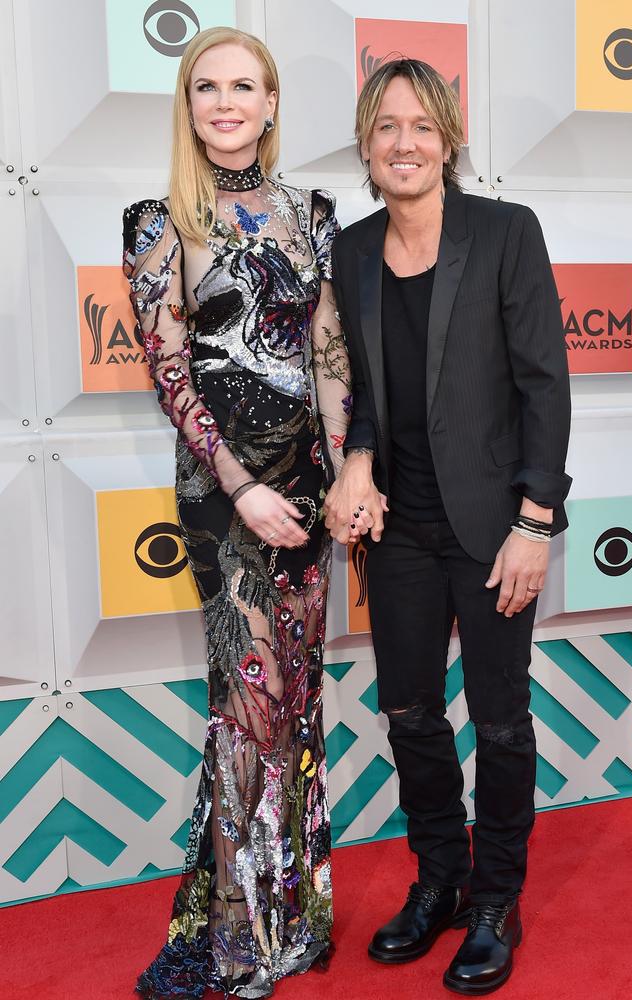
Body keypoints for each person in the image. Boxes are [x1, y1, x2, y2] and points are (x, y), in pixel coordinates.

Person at [325, 59, 571, 995]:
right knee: (411, 714)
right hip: (399, 533)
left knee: (501, 724)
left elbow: (545, 386)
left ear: (449, 139)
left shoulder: (506, 233)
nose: (404, 143)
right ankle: (442, 882)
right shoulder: (351, 252)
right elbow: (374, 400)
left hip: (495, 527)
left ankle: (498, 901)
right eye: (386, 127)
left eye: (422, 126)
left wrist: (535, 523)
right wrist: (357, 463)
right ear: (365, 142)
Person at [122, 27, 350, 999]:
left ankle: (295, 915)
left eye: (242, 85)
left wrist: (341, 474)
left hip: (304, 487)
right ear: (188, 104)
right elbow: (169, 372)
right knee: (247, 711)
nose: (225, 102)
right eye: (206, 86)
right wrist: (240, 488)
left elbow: (329, 357)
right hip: (224, 497)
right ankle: (242, 938)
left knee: (296, 704)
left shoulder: (314, 214)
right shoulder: (156, 220)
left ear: (267, 103)